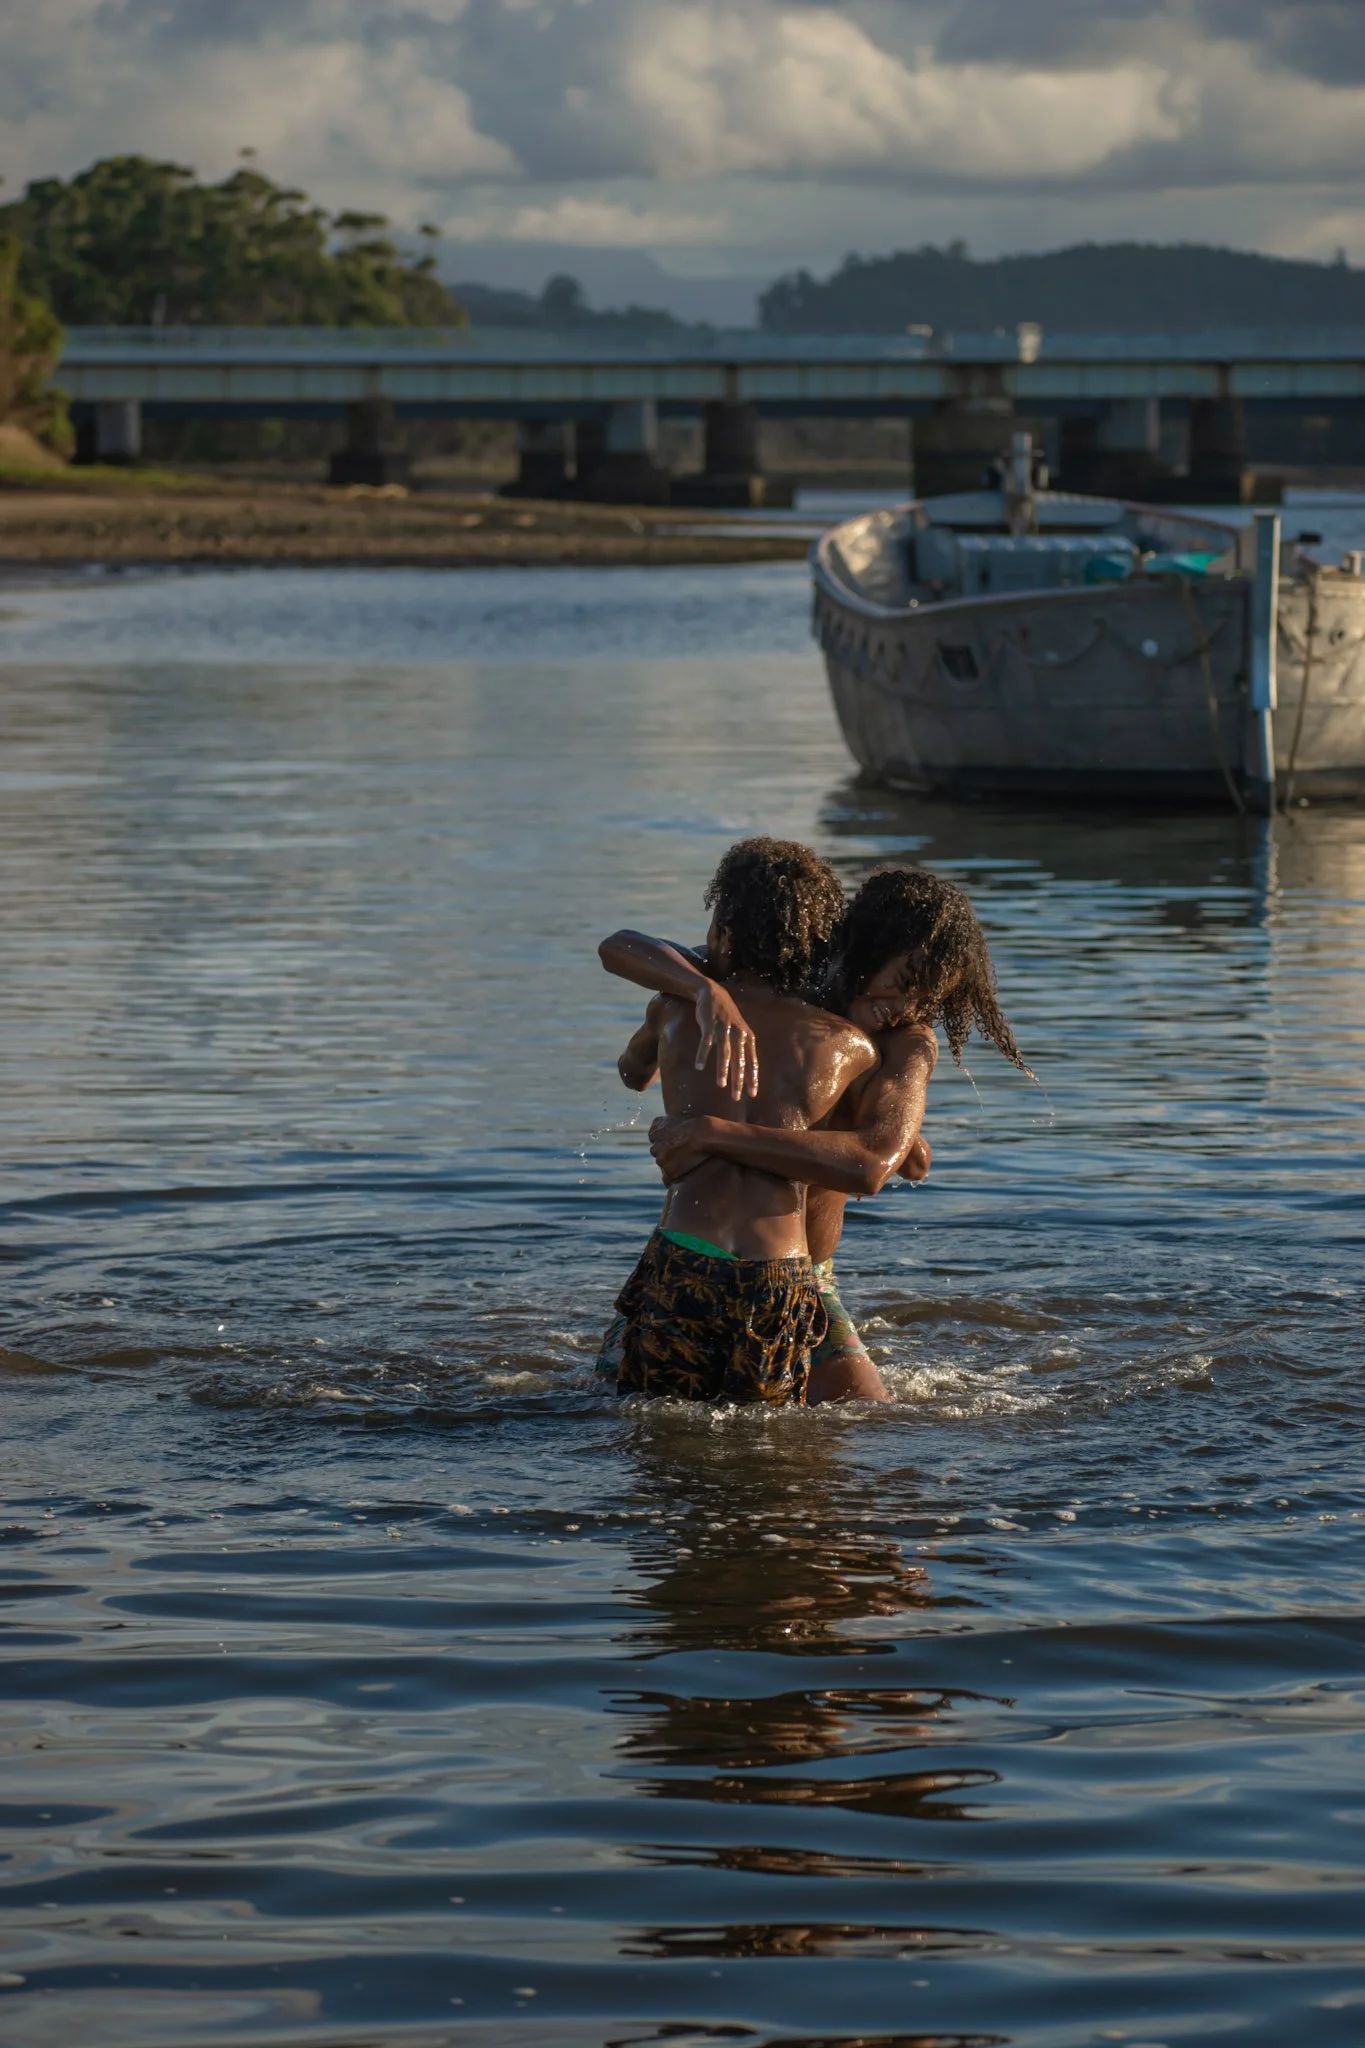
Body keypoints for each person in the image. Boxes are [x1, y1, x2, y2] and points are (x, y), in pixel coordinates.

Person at [606, 864, 1027, 1402]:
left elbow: (877, 1162)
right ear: (862, 949)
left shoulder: (907, 1042)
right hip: (705, 1250)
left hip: (806, 1274)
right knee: (620, 1402)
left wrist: (713, 1133)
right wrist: (705, 990)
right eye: (902, 985)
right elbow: (622, 947)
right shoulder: (781, 980)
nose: (907, 1009)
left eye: (929, 999)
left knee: (868, 1418)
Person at [602, 836, 878, 1407]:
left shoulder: (676, 1012)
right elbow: (901, 1152)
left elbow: (632, 1073)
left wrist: (697, 990)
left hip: (685, 1253)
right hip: (780, 1272)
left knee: (651, 1426)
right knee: (767, 1440)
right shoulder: (848, 1046)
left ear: (724, 934)